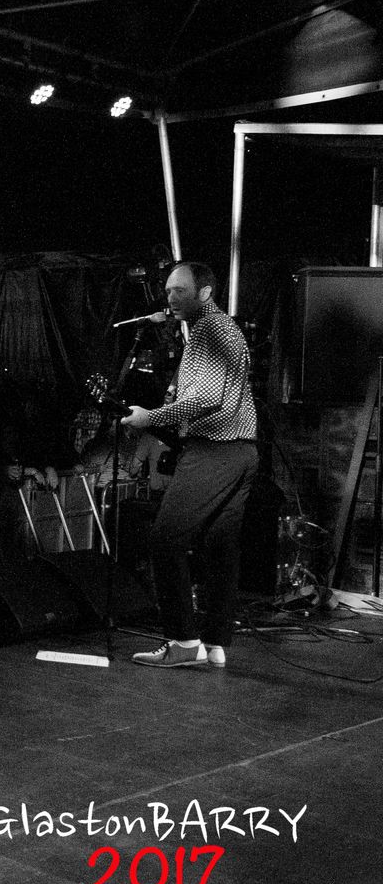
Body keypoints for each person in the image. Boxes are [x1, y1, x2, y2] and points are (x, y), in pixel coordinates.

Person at [122, 261, 258, 670]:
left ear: (205, 293)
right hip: (241, 452)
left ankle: (183, 641)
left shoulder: (209, 330)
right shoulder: (221, 329)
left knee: (165, 539)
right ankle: (214, 643)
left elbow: (207, 398)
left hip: (214, 451)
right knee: (220, 548)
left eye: (179, 290)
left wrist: (150, 417)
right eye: (167, 290)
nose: (169, 297)